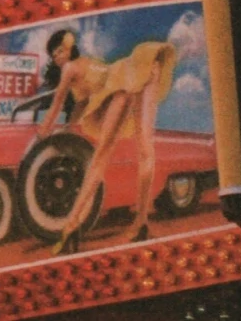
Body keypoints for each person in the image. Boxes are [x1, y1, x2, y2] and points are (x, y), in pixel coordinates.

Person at [37, 27, 178, 253]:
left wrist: (43, 133)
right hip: (145, 68)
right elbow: (83, 103)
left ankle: (70, 227)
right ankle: (141, 222)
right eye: (54, 56)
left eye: (58, 52)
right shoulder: (87, 62)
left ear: (68, 47)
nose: (57, 58)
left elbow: (56, 104)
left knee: (102, 157)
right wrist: (68, 127)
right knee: (144, 147)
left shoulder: (70, 69)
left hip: (122, 83)